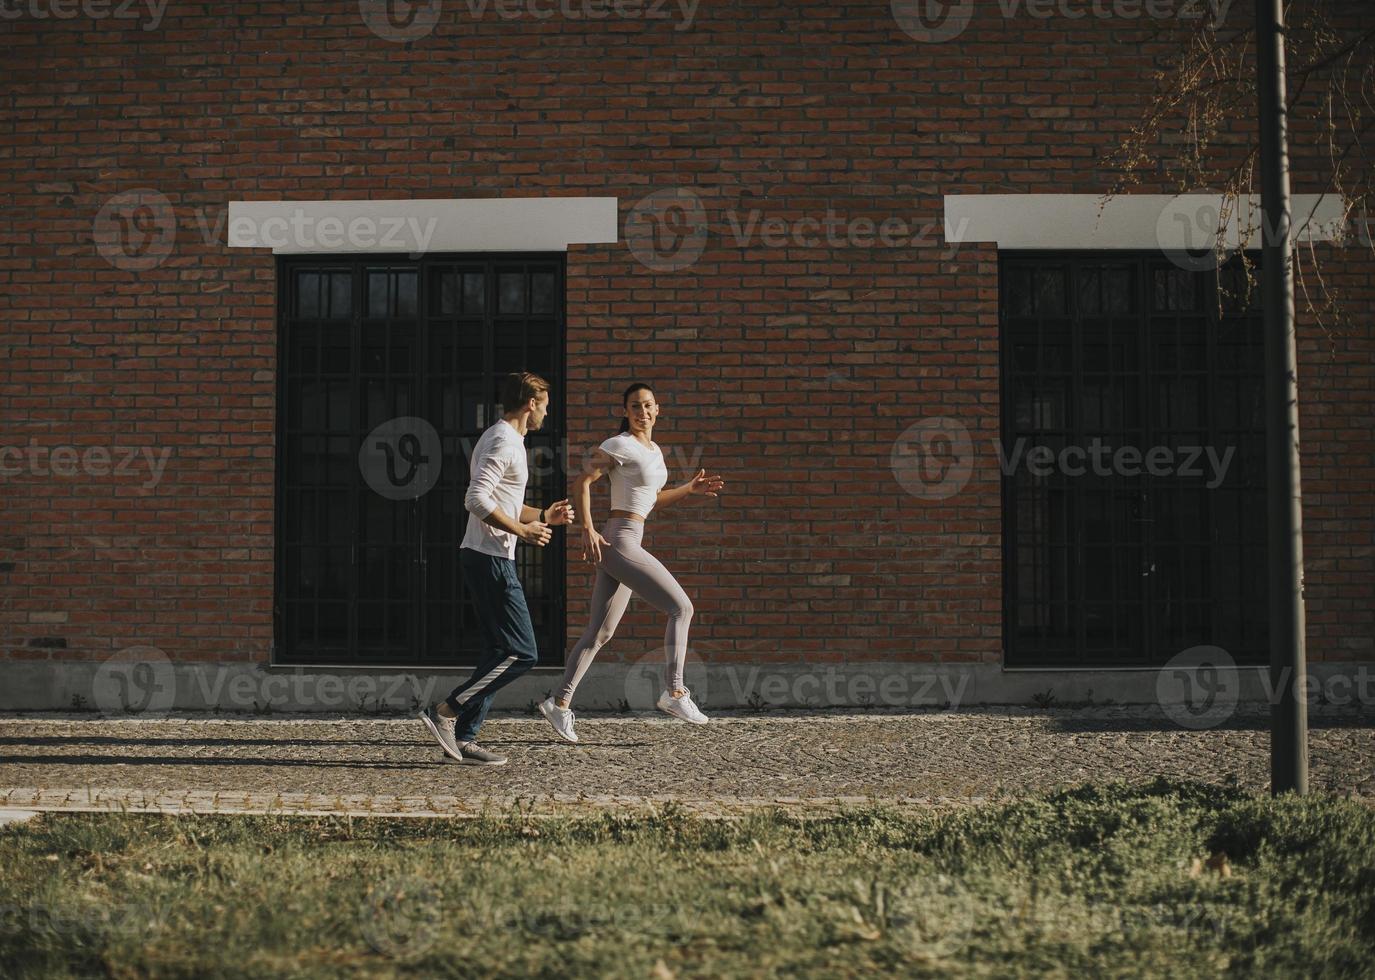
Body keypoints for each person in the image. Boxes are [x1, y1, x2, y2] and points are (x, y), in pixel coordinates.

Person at [538, 382, 724, 743]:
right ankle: (675, 693)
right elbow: (582, 482)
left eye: (648, 405)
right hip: (618, 538)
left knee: (600, 632)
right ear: (626, 412)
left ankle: (558, 703)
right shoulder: (618, 445)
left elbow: (650, 500)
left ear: (658, 410)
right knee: (681, 608)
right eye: (635, 407)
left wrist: (688, 489)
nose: (643, 412)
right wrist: (588, 530)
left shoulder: (653, 451)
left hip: (629, 536)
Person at [418, 371, 573, 765]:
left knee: (496, 650)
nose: (546, 414)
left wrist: (542, 515)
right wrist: (522, 530)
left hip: (487, 555)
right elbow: (475, 498)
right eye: (545, 405)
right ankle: (446, 711)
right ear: (531, 403)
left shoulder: (508, 440)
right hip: (489, 559)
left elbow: (500, 501)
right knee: (523, 652)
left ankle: (466, 737)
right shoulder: (504, 439)